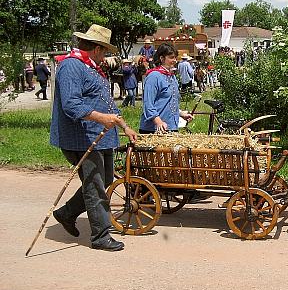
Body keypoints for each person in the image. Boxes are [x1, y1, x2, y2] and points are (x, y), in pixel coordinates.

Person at [50, 24, 137, 252]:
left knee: (104, 180)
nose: (106, 56)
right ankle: (100, 235)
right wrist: (101, 118)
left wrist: (124, 126)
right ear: (97, 49)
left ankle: (66, 213)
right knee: (95, 184)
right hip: (82, 137)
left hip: (100, 136)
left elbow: (104, 103)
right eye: (105, 51)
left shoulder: (92, 68)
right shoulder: (71, 66)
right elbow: (71, 105)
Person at [140, 43, 193, 133]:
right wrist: (158, 121)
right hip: (153, 129)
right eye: (171, 57)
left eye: (175, 57)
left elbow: (169, 101)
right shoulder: (154, 76)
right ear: (162, 58)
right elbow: (148, 103)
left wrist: (180, 113)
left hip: (171, 127)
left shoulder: (172, 77)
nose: (175, 60)